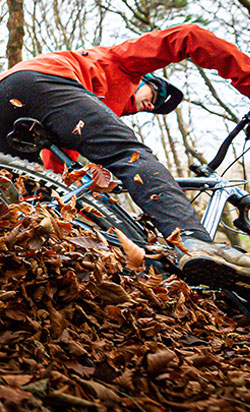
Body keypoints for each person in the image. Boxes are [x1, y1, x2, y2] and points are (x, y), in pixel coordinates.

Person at [0, 23, 250, 289]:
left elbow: (56, 172)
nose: (152, 104)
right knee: (130, 155)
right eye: (155, 93)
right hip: (41, 79)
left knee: (31, 191)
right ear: (143, 78)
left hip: (10, 99)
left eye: (155, 107)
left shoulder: (89, 109)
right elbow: (188, 36)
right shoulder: (121, 61)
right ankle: (193, 240)